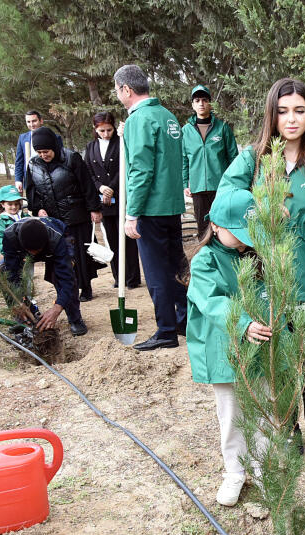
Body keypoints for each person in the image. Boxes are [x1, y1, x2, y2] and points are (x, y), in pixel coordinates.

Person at [217, 77, 305, 453]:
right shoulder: (252, 159)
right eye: (283, 111)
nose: (292, 119)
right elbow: (225, 198)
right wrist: (260, 207)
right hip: (264, 281)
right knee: (277, 359)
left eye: (300, 111)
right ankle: (287, 426)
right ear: (271, 115)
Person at [186, 189, 270, 506]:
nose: (246, 240)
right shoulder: (206, 260)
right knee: (232, 415)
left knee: (262, 410)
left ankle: (263, 470)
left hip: (258, 346)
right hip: (225, 348)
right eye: (240, 233)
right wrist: (243, 323)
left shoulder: (254, 255)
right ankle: (234, 472)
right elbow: (213, 302)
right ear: (216, 226)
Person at [114, 64, 187, 351]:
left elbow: (141, 171)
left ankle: (166, 331)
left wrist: (132, 213)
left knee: (157, 272)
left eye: (117, 90)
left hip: (150, 208)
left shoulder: (139, 121)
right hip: (172, 206)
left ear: (126, 90)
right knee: (176, 266)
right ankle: (183, 320)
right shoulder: (167, 117)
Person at [26, 126, 103, 302]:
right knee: (58, 255)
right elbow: (32, 191)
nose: (43, 155)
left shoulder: (71, 158)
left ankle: (86, 287)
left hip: (76, 215)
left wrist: (94, 208)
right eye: (39, 152)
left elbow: (87, 185)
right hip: (53, 219)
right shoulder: (33, 164)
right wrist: (38, 208)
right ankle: (67, 289)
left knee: (80, 254)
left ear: (53, 147)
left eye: (46, 151)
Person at [2, 217, 87, 336]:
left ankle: (75, 319)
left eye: (37, 251)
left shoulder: (57, 238)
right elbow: (12, 273)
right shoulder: (10, 236)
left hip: (59, 240)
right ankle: (25, 318)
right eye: (30, 251)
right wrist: (18, 301)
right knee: (4, 273)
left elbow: (66, 279)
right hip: (22, 249)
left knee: (65, 276)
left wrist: (57, 307)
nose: (33, 254)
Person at [85, 111, 141, 288]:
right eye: (102, 131)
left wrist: (113, 187)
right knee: (112, 240)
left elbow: (125, 167)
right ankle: (119, 276)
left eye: (109, 130)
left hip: (121, 197)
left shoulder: (121, 143)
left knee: (127, 239)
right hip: (104, 200)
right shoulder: (90, 147)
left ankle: (132, 278)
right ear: (95, 129)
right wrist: (100, 188)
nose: (106, 134)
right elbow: (89, 172)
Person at [182, 84, 239, 239]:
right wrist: (185, 183)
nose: (201, 103)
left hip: (220, 187)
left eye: (205, 100)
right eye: (197, 100)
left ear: (210, 103)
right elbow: (184, 159)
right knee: (203, 228)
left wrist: (233, 182)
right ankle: (206, 259)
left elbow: (233, 158)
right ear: (193, 104)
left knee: (221, 225)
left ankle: (223, 258)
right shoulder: (186, 131)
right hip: (198, 188)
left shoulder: (222, 128)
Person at [13, 110, 59, 194]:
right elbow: (19, 162)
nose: (31, 124)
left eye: (34, 121)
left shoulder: (55, 137)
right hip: (30, 181)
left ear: (41, 121)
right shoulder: (22, 138)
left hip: (50, 181)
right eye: (28, 122)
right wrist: (18, 180)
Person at [0, 185, 31, 253]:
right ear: (2, 204)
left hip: (28, 254)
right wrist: (11, 253)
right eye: (10, 204)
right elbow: (0, 242)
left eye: (16, 204)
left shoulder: (26, 217)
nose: (14, 207)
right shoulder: (0, 223)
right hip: (11, 255)